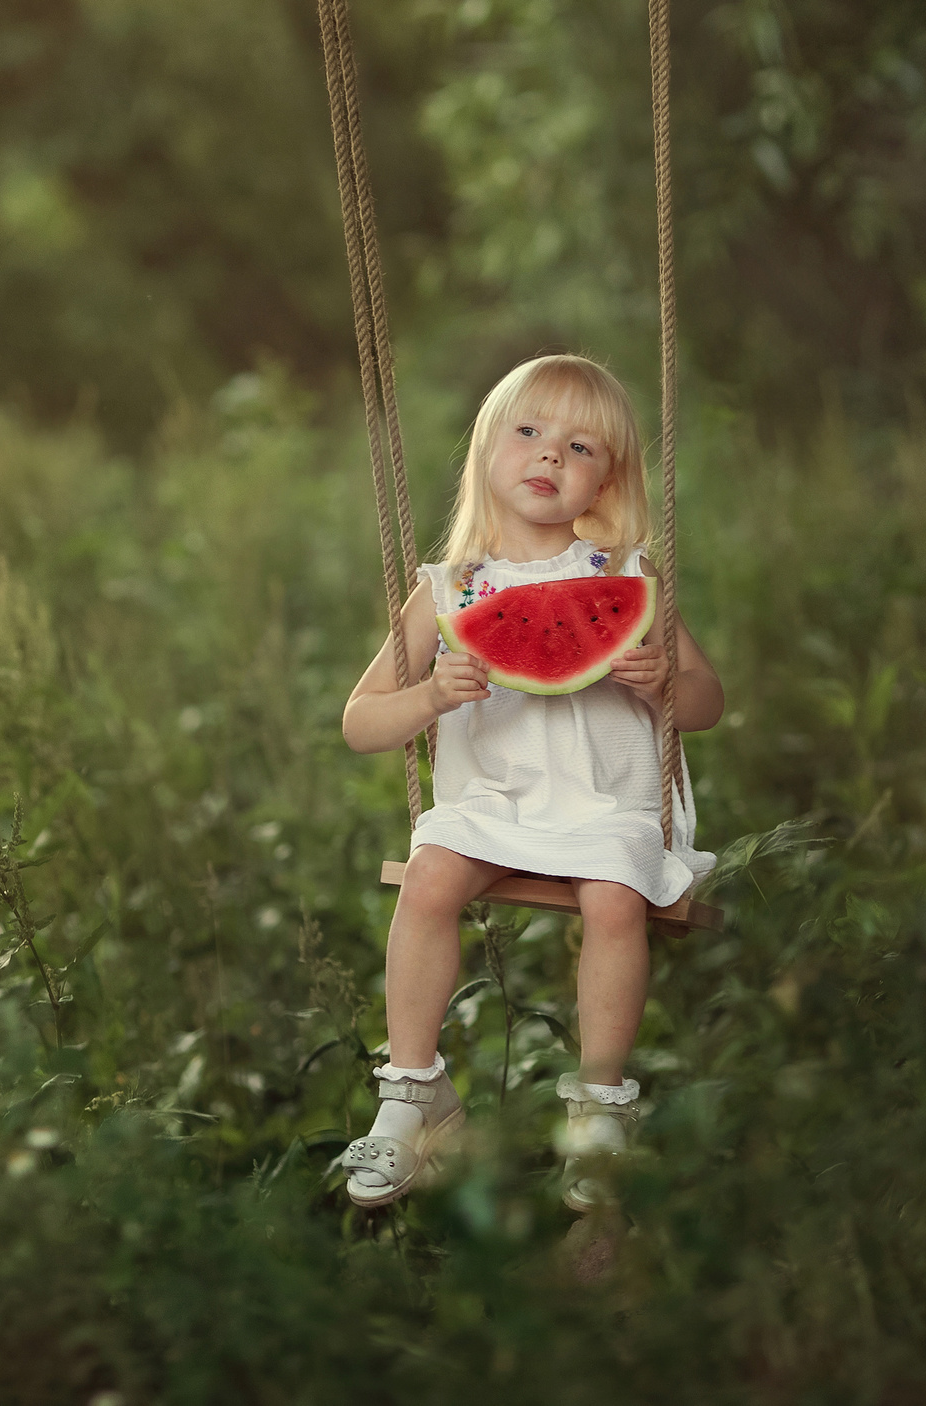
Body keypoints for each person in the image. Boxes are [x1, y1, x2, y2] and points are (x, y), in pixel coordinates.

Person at [335, 353, 723, 1210]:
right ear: (486, 451)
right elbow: (361, 722)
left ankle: (598, 1109)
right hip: (489, 804)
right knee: (429, 878)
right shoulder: (448, 589)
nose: (550, 456)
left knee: (616, 899)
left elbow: (707, 702)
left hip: (608, 809)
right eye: (530, 433)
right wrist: (432, 693)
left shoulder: (627, 576)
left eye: (580, 447)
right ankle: (411, 1093)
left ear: (604, 480)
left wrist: (663, 681)